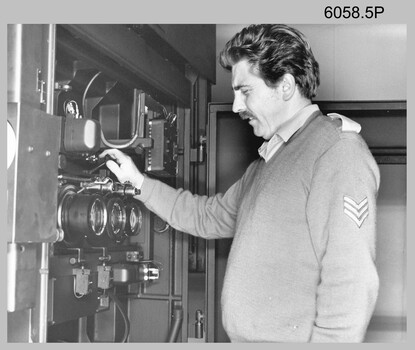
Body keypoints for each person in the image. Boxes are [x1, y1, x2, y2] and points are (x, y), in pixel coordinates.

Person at [100, 24, 380, 342]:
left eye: (245, 91)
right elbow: (208, 216)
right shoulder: (268, 163)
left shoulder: (336, 151)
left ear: (285, 86)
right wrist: (138, 182)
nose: (236, 107)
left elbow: (352, 282)